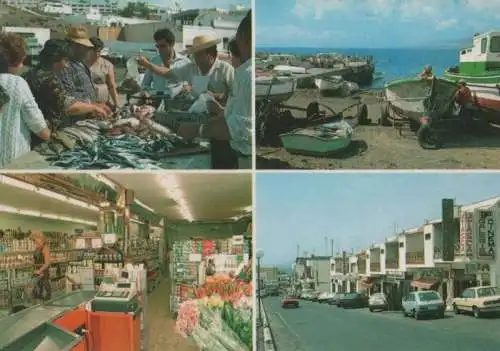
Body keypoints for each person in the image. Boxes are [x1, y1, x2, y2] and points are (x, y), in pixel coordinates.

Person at [24, 39, 109, 147]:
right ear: (56, 59)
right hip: (41, 137)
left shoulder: (33, 72)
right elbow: (69, 107)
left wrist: (93, 105)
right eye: (65, 60)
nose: (67, 65)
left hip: (35, 133)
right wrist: (93, 107)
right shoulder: (47, 79)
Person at [0, 33, 50, 167]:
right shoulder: (17, 83)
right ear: (17, 60)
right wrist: (54, 139)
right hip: (11, 160)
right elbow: (37, 124)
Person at [138, 34, 234, 102]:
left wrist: (216, 96)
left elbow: (238, 96)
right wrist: (148, 65)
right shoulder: (191, 68)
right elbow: (168, 73)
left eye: (199, 54)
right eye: (195, 54)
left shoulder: (226, 70)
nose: (195, 57)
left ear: (211, 54)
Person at [58, 26, 111, 118]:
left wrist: (96, 105)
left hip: (88, 114)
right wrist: (93, 106)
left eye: (87, 47)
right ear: (71, 45)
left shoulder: (81, 62)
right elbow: (69, 95)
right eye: (82, 47)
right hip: (75, 119)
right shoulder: (65, 66)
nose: (86, 50)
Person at [140, 28, 188, 107]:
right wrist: (145, 92)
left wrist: (186, 87)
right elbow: (145, 84)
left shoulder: (184, 62)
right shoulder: (153, 61)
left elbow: (191, 84)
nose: (159, 49)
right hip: (156, 102)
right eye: (157, 46)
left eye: (163, 46)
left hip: (178, 104)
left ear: (172, 44)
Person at [88, 37, 120, 108]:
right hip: (87, 104)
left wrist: (117, 105)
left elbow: (112, 86)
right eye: (94, 51)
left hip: (103, 105)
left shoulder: (107, 65)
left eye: (99, 51)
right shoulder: (80, 64)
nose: (97, 54)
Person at [31, 231, 52, 303]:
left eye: (36, 240)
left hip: (43, 274)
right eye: (34, 241)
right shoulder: (36, 249)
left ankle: (46, 309)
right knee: (36, 293)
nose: (35, 243)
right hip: (36, 274)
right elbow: (34, 262)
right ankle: (38, 309)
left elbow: (47, 263)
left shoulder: (45, 249)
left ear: (41, 239)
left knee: (45, 293)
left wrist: (40, 271)